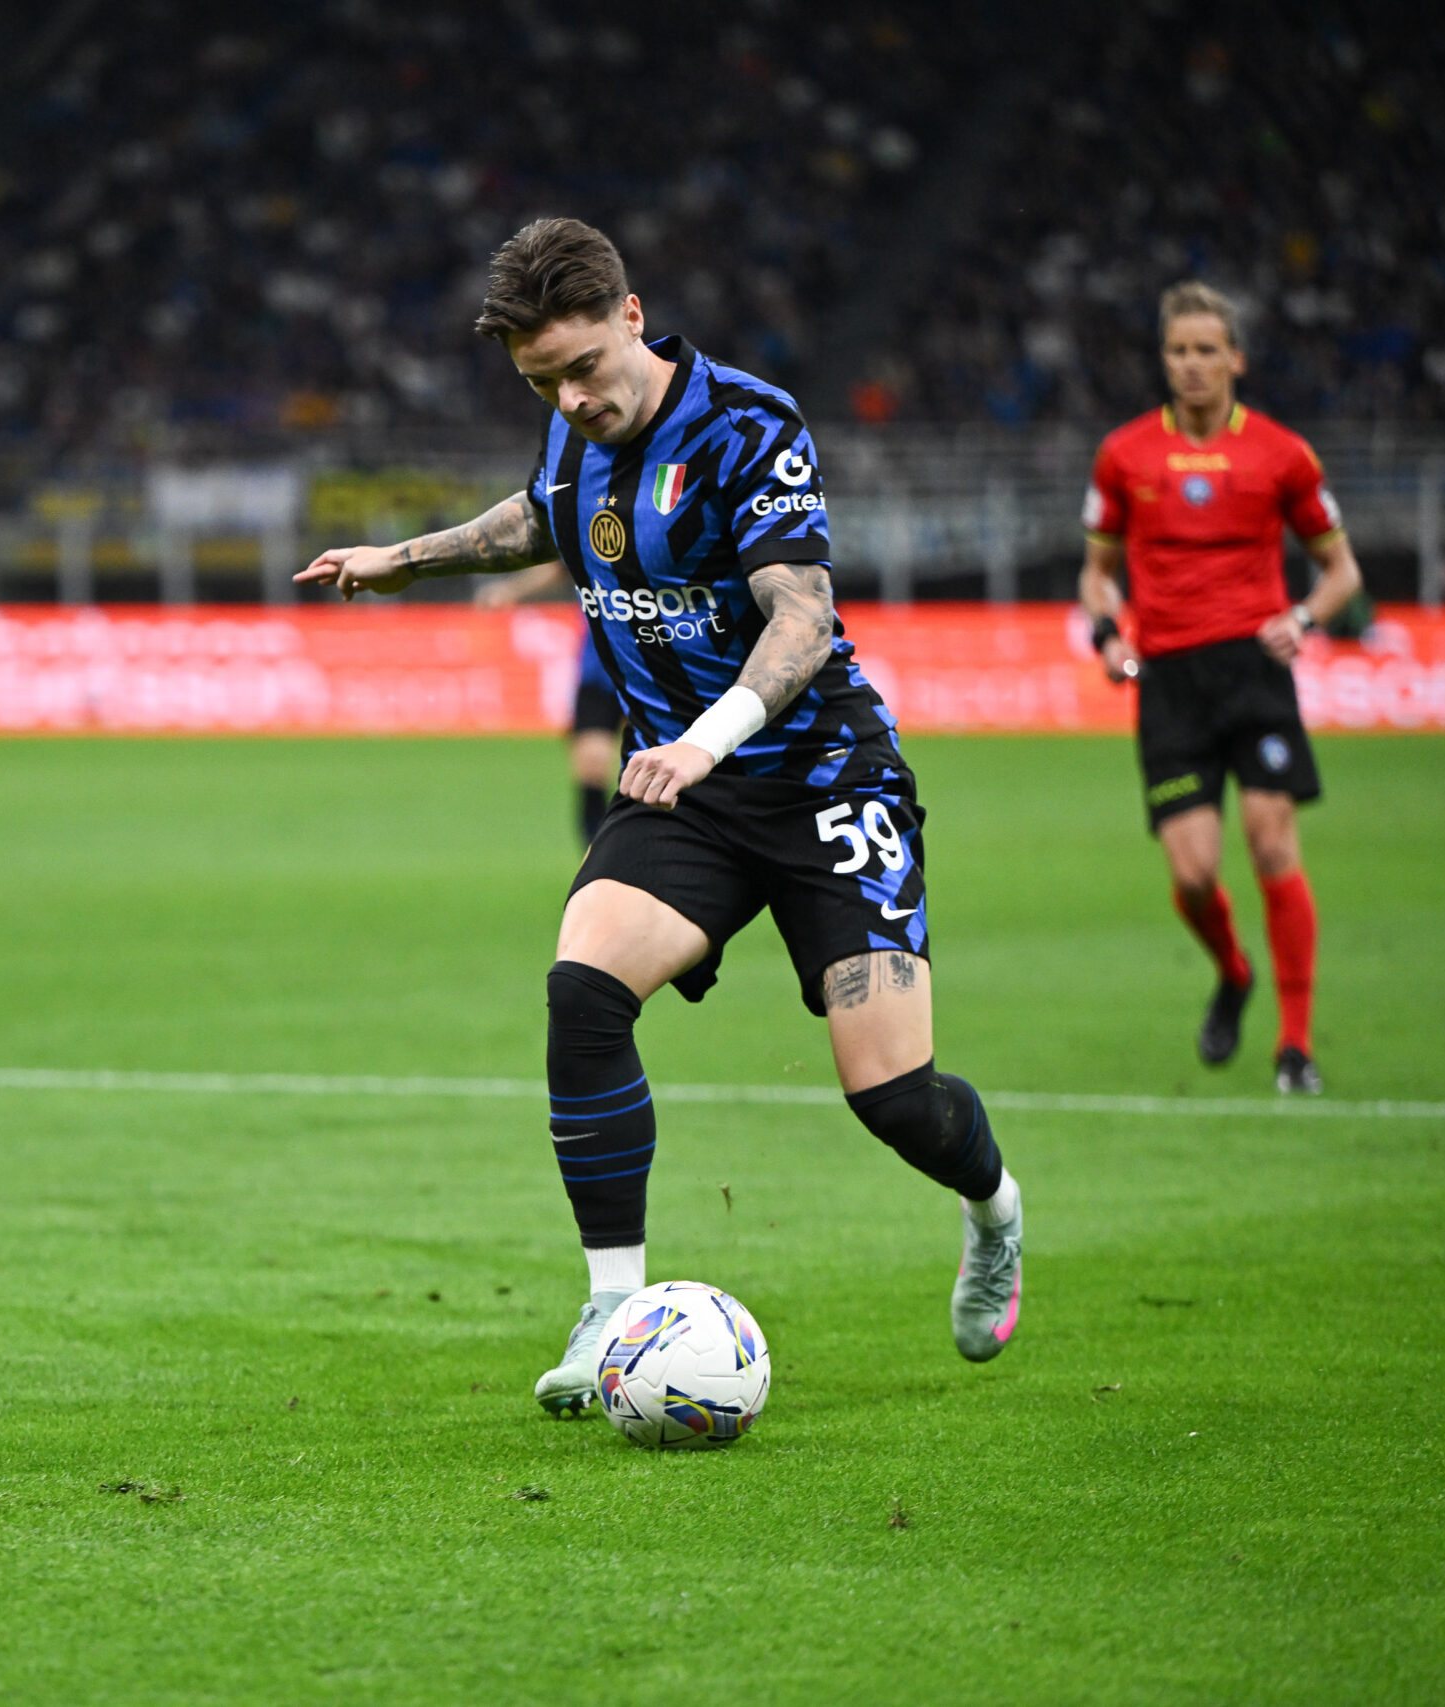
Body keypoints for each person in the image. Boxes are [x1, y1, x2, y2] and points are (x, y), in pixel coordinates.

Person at [299, 219, 1026, 1414]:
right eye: (542, 382)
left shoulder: (748, 425)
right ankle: (609, 1306)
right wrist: (406, 559)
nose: (571, 400)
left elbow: (801, 619)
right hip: (686, 795)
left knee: (893, 1098)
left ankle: (993, 1209)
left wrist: (702, 739)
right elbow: (541, 516)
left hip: (823, 777)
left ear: (632, 317)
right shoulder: (571, 424)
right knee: (583, 991)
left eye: (584, 368)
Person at [1079, 281, 1362, 1096]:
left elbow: (1342, 571)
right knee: (1195, 873)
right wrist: (1108, 633)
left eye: (1207, 350)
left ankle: (1295, 1045)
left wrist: (1303, 618)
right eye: (1178, 351)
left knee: (1273, 842)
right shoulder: (1124, 454)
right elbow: (1097, 574)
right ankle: (1234, 972)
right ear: (1163, 360)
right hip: (1169, 680)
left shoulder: (1282, 454)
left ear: (1236, 358)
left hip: (1253, 671)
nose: (1192, 364)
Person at [475, 561, 623, 844]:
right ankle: (596, 857)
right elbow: (560, 566)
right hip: (599, 670)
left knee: (657, 768)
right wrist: (510, 591)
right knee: (591, 765)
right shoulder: (593, 537)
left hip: (658, 670)